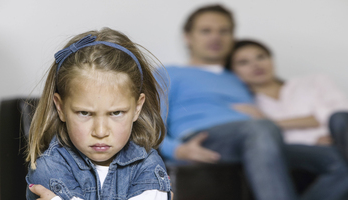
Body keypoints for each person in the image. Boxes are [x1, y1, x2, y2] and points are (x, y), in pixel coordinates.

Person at [159, 4, 348, 200]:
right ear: (188, 37)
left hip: (259, 141)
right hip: (208, 138)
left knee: (338, 162)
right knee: (259, 129)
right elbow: (148, 125)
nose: (216, 37)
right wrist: (176, 149)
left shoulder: (240, 77)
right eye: (206, 31)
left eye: (224, 31)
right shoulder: (169, 73)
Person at [25, 27, 172, 200]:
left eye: (116, 113)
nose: (100, 132)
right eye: (85, 113)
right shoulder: (49, 167)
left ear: (137, 108)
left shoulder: (147, 164)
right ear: (60, 107)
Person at [229, 39, 348, 160]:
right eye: (243, 62)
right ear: (232, 71)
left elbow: (338, 114)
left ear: (271, 59)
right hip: (304, 157)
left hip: (339, 141)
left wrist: (270, 122)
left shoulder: (315, 81)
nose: (256, 65)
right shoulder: (249, 106)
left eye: (261, 57)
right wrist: (313, 140)